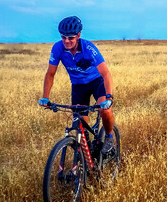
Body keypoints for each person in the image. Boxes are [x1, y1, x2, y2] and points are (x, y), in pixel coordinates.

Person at [38, 16, 116, 153]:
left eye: (70, 38)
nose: (66, 41)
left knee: (104, 110)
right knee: (81, 128)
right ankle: (89, 159)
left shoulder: (89, 48)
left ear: (78, 35)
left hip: (96, 82)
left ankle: (109, 137)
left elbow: (106, 74)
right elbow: (50, 73)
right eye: (63, 37)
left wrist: (109, 98)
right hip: (78, 86)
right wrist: (45, 97)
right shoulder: (57, 48)